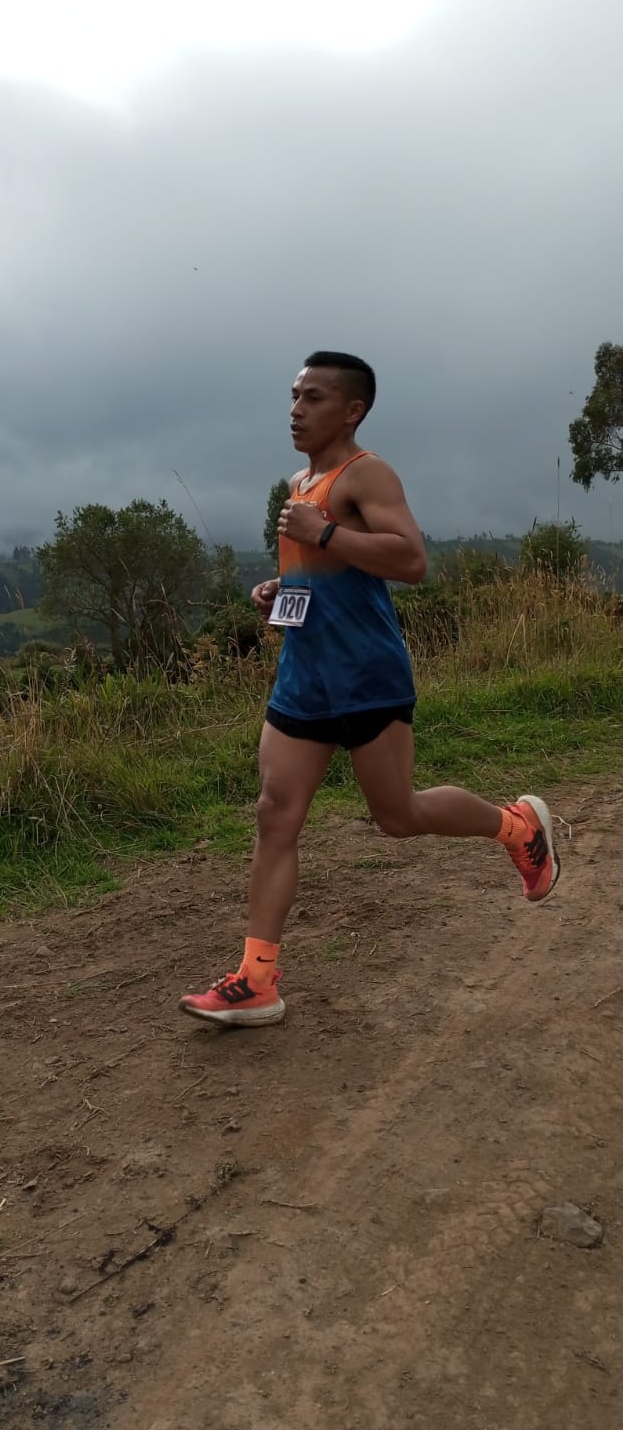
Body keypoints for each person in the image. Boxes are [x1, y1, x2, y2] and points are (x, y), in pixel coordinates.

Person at [179, 351, 560, 1026]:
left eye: (314, 398)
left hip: (366, 677)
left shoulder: (366, 473)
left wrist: (324, 531)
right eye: (294, 396)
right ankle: (257, 979)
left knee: (398, 816)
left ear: (352, 409)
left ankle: (517, 826)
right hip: (304, 677)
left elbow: (411, 559)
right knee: (275, 813)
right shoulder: (299, 482)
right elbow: (329, 574)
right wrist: (280, 590)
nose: (296, 410)